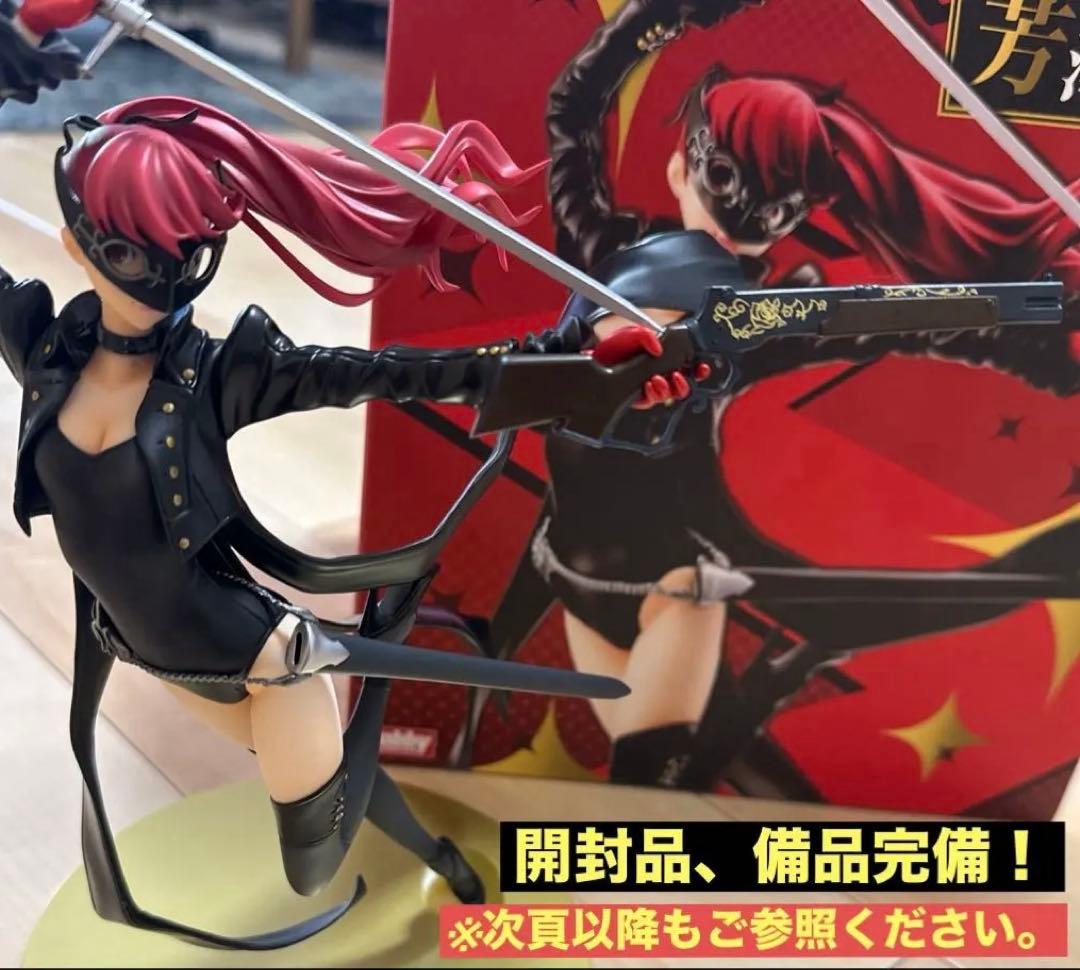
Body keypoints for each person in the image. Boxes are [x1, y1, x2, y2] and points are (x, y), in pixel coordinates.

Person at [0, 0, 705, 947]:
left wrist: (573, 363)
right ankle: (413, 825)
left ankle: (378, 755)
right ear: (80, 244)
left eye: (182, 252)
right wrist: (16, 45)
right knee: (325, 809)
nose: (155, 277)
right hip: (131, 642)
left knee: (314, 863)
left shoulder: (220, 374)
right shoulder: (46, 349)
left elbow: (398, 373)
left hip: (262, 669)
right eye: (131, 248)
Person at [478, 0, 1080, 790]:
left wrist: (1039, 334)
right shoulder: (602, 251)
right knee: (683, 771)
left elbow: (913, 323)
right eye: (731, 181)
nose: (746, 219)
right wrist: (656, 19)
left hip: (676, 587)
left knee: (651, 780)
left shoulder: (763, 320)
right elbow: (573, 107)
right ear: (681, 168)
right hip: (571, 570)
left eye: (777, 206)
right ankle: (776, 684)